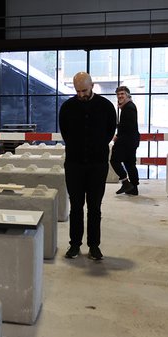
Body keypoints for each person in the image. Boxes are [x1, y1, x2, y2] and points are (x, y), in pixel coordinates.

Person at [59, 72, 116, 260]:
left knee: (94, 207)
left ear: (92, 85)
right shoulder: (67, 107)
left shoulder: (106, 106)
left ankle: (94, 246)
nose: (81, 94)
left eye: (84, 90)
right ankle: (74, 245)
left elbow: (110, 131)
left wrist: (96, 146)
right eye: (77, 91)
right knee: (76, 207)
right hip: (74, 165)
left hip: (97, 165)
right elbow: (65, 132)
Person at [110, 85, 140, 196]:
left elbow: (128, 126)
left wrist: (118, 136)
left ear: (127, 95)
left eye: (122, 94)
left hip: (126, 141)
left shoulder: (128, 108)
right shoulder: (128, 106)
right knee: (130, 163)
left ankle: (125, 182)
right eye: (118, 94)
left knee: (114, 161)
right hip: (131, 140)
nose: (120, 96)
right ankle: (133, 188)